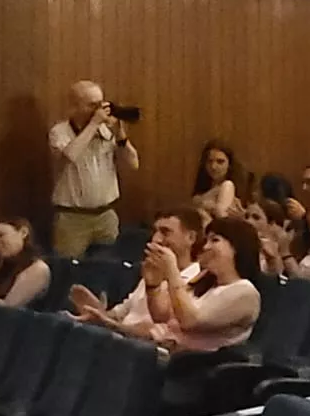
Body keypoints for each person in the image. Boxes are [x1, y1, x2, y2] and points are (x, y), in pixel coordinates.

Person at [136, 217, 262, 353]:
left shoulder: (245, 292)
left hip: (201, 363)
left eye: (215, 240)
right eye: (206, 241)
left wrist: (172, 271)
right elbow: (161, 316)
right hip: (166, 352)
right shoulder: (204, 280)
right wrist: (153, 286)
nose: (206, 247)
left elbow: (190, 321)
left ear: (237, 247)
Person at [71, 208, 204, 335]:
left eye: (165, 232)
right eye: (155, 232)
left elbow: (162, 331)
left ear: (191, 238)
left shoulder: (199, 281)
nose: (156, 239)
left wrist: (110, 324)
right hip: (118, 339)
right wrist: (96, 311)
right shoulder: (153, 271)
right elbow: (119, 315)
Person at [49, 80, 139, 257]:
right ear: (75, 106)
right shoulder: (59, 132)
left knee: (106, 266)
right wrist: (93, 124)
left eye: (101, 103)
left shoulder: (106, 131)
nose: (99, 110)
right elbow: (69, 155)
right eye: (92, 105)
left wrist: (121, 135)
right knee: (69, 267)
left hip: (106, 215)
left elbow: (133, 163)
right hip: (73, 218)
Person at [191, 140, 240, 219]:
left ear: (229, 164)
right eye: (209, 161)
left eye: (220, 162)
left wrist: (206, 206)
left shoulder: (227, 185)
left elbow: (221, 217)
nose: (213, 166)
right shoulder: (203, 188)